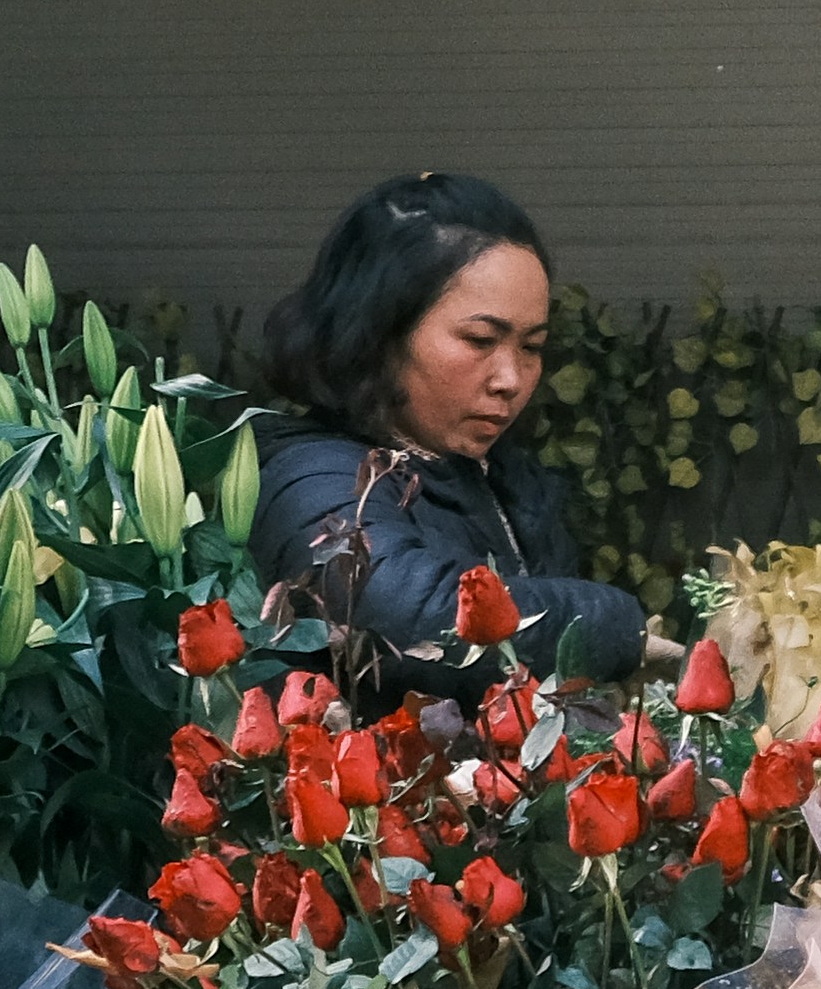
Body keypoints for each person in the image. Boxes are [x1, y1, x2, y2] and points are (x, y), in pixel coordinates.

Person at [248, 172, 645, 690]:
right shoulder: (311, 475)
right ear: (380, 333)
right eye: (481, 339)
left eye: (532, 347)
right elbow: (418, 624)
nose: (510, 380)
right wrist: (619, 628)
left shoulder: (500, 475)